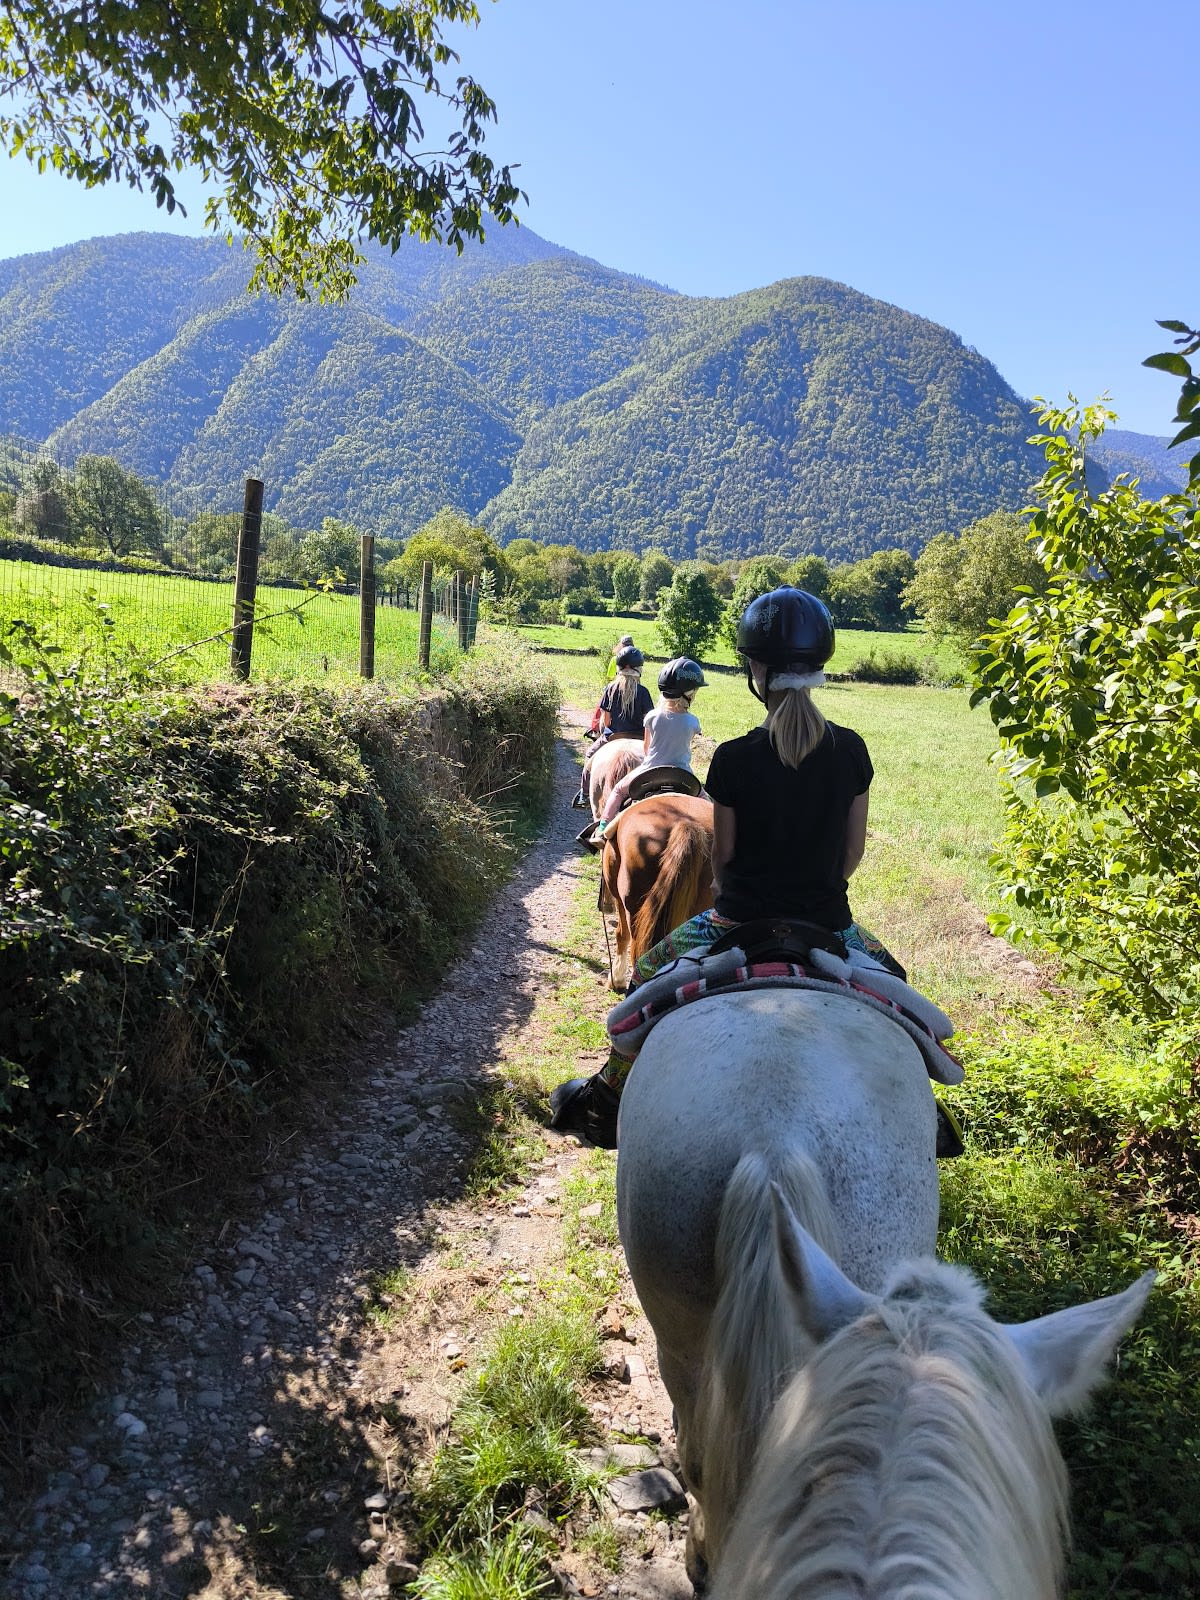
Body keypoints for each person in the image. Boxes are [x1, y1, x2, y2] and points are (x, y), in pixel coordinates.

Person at [550, 586, 963, 1157]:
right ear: (820, 666)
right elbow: (851, 854)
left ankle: (608, 1101)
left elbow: (723, 858)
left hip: (733, 924)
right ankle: (922, 1110)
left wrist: (731, 891)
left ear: (755, 670)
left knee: (646, 976)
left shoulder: (736, 757)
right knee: (894, 981)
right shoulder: (851, 751)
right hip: (830, 927)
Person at [581, 657, 707, 845]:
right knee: (706, 803)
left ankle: (601, 829)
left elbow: (647, 749)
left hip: (650, 769)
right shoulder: (693, 722)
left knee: (617, 791)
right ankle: (719, 837)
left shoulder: (652, 717)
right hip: (683, 774)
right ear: (689, 693)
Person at [572, 644, 653, 809]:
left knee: (590, 756)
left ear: (619, 667)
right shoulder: (643, 692)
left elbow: (606, 722)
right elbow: (648, 722)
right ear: (639, 669)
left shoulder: (611, 688)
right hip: (639, 738)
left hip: (613, 737)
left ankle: (585, 794)